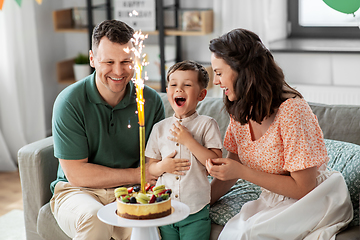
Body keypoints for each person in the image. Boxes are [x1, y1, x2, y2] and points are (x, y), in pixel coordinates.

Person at [206, 28, 353, 240]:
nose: (216, 82)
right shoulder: (240, 108)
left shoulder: (293, 110)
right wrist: (199, 202)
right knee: (235, 233)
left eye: (219, 73)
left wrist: (241, 172)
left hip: (315, 198)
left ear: (243, 70)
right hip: (276, 197)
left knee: (249, 234)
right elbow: (232, 167)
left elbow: (304, 188)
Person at [50, 20, 165, 240]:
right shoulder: (69, 102)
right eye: (109, 62)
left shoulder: (150, 101)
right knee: (94, 217)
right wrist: (136, 174)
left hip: (131, 191)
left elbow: (154, 163)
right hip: (78, 191)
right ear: (92, 59)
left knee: (149, 230)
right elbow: (76, 173)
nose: (118, 71)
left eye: (126, 61)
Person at [145, 60, 223, 240]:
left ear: (201, 95)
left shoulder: (207, 124)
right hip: (165, 208)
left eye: (187, 85)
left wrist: (189, 141)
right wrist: (164, 166)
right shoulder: (159, 128)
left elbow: (215, 162)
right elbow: (151, 168)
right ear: (168, 91)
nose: (179, 89)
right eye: (174, 84)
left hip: (195, 209)